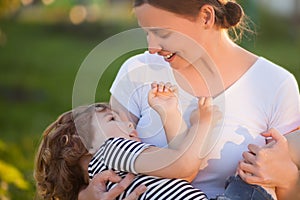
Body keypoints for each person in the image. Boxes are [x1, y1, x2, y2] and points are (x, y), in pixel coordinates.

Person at [79, 0, 300, 199]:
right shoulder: (137, 71)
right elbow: (104, 161)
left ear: (206, 17)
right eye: (146, 32)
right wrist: (88, 197)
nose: (152, 47)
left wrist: (288, 180)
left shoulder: (275, 84)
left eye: (162, 33)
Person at [34, 82, 218, 200]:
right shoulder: (111, 150)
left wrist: (169, 114)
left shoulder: (114, 175)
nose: (130, 125)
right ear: (82, 144)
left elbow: (182, 174)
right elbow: (183, 165)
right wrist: (201, 123)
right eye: (113, 120)